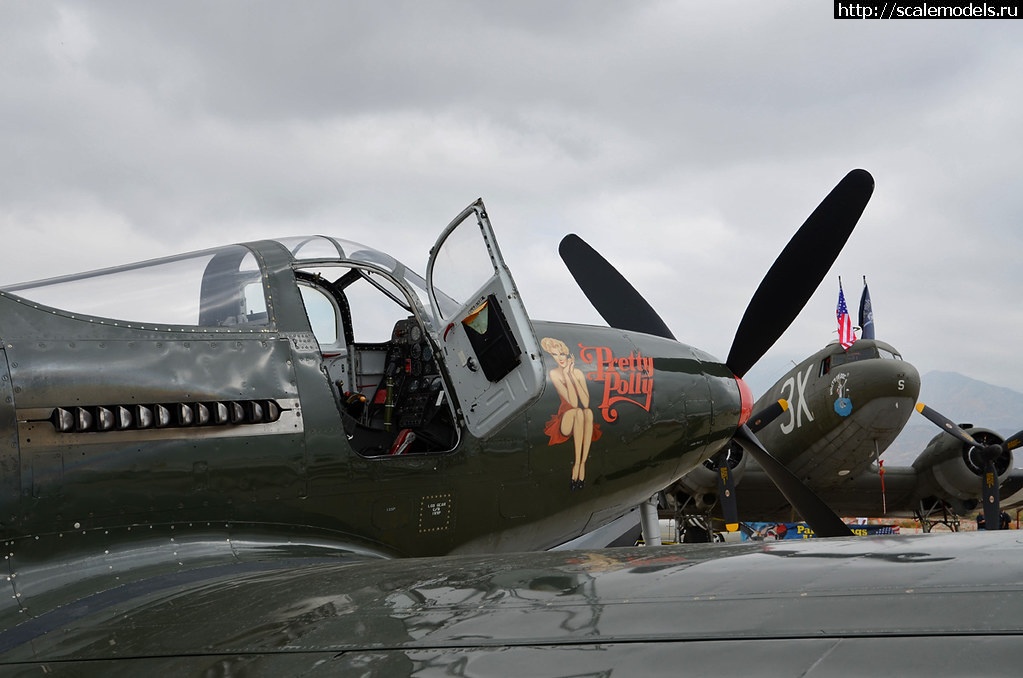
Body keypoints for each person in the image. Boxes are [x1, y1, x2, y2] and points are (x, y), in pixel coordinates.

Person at [541, 336, 601, 490]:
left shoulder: (579, 373)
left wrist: (573, 374)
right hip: (565, 418)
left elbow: (585, 402)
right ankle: (576, 465)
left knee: (587, 412)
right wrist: (567, 375)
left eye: (562, 354)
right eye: (555, 355)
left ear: (568, 355)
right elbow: (572, 403)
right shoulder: (554, 374)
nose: (559, 358)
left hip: (581, 418)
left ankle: (582, 464)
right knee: (577, 412)